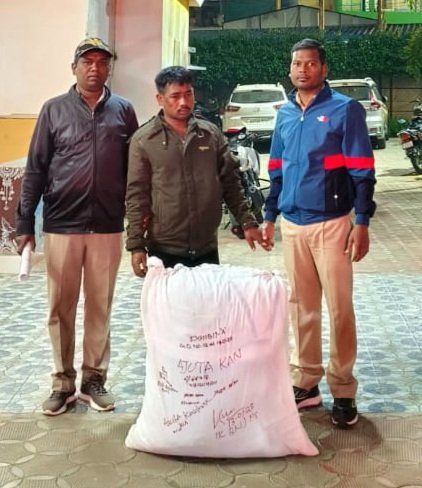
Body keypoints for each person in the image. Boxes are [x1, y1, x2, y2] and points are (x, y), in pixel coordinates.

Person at [15, 37, 139, 416]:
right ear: (74, 68)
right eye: (87, 62)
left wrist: (138, 220)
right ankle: (62, 383)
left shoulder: (123, 111)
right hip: (62, 225)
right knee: (60, 307)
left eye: (102, 62)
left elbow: (134, 170)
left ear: (109, 68)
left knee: (100, 306)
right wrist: (25, 221)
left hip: (107, 226)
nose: (94, 68)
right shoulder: (53, 110)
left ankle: (93, 381)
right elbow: (35, 168)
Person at [262, 39, 376, 428]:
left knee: (339, 307)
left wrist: (362, 221)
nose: (303, 69)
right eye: (297, 63)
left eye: (311, 63)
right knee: (301, 306)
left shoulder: (345, 110)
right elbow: (276, 168)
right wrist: (269, 214)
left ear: (324, 69)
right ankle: (306, 382)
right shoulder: (284, 113)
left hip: (332, 224)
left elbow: (362, 169)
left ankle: (343, 389)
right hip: (293, 224)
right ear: (290, 69)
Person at [125, 66, 262, 275]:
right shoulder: (144, 140)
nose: (183, 102)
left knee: (207, 297)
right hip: (164, 248)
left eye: (188, 94)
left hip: (206, 246)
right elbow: (136, 196)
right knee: (170, 299)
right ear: (160, 99)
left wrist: (247, 222)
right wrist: (136, 246)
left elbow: (230, 183)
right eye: (175, 96)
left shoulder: (210, 134)